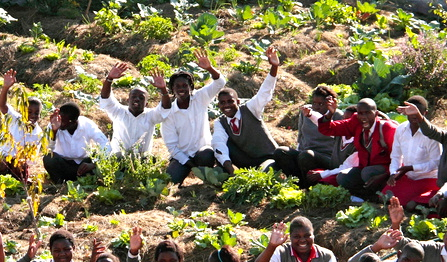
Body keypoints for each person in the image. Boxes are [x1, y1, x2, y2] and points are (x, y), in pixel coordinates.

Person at [212, 46, 299, 177]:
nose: (227, 106)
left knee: (263, 173)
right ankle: (230, 175)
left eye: (230, 101)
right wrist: (230, 168)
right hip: (247, 162)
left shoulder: (250, 109)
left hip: (268, 158)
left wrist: (274, 67)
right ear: (218, 105)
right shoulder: (221, 122)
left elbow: (265, 92)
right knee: (220, 148)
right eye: (223, 103)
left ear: (238, 101)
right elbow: (218, 143)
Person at [304, 97, 397, 201]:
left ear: (376, 114)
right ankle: (369, 198)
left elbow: (400, 158)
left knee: (367, 172)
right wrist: (330, 113)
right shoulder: (356, 122)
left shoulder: (387, 128)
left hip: (388, 171)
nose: (364, 117)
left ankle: (381, 196)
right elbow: (328, 129)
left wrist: (386, 175)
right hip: (365, 168)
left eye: (368, 113)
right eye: (360, 113)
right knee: (343, 177)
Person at [160, 50, 227, 183]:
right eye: (177, 86)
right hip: (182, 156)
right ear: (172, 89)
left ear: (191, 87)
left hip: (203, 152)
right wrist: (190, 165)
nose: (181, 89)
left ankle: (206, 177)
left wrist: (209, 68)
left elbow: (220, 83)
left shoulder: (200, 98)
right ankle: (190, 172)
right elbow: (172, 147)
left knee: (207, 154)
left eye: (185, 85)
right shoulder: (169, 113)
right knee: (171, 180)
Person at [0, 70, 44, 182]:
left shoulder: (38, 133)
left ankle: (15, 183)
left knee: (19, 163)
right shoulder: (15, 119)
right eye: (29, 112)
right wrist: (6, 87)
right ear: (22, 110)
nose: (33, 116)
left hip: (17, 166)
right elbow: (2, 105)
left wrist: (20, 161)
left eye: (36, 113)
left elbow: (31, 159)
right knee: (3, 160)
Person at [99, 62, 173, 155]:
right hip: (117, 160)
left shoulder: (151, 116)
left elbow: (165, 108)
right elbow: (105, 98)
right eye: (134, 96)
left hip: (141, 161)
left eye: (141, 98)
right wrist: (109, 79)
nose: (137, 99)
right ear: (127, 99)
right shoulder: (118, 112)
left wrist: (163, 89)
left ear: (146, 104)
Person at [382, 96, 442, 209]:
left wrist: (411, 168)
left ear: (425, 112)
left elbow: (435, 163)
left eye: (418, 111)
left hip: (428, 178)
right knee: (385, 197)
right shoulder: (401, 129)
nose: (414, 115)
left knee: (408, 205)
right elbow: (396, 155)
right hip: (408, 176)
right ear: (405, 112)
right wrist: (393, 173)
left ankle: (421, 199)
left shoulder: (432, 134)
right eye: (411, 111)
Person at [42, 101, 111, 184]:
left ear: (73, 122)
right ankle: (60, 183)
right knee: (48, 158)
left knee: (99, 154)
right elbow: (47, 148)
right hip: (63, 164)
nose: (60, 123)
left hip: (84, 165)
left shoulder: (87, 124)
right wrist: (54, 131)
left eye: (63, 122)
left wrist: (93, 164)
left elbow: (105, 144)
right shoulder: (55, 123)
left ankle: (87, 181)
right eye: (60, 119)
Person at [296, 86, 352, 179]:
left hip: (327, 157)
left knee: (307, 155)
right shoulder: (306, 112)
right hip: (304, 153)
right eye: (314, 103)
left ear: (329, 104)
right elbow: (300, 136)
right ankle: (295, 181)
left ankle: (306, 184)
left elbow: (328, 128)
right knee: (281, 152)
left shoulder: (338, 115)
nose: (316, 107)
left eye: (321, 104)